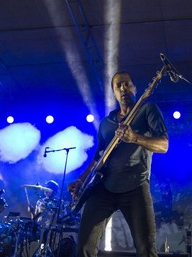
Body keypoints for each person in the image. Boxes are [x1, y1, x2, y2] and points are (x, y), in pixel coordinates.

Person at [68, 71, 169, 257]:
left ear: (135, 88)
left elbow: (164, 145)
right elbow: (97, 158)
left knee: (146, 248)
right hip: (102, 188)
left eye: (127, 84)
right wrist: (82, 180)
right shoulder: (106, 123)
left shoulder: (148, 110)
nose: (123, 88)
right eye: (118, 86)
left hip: (135, 186)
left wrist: (135, 138)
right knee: (84, 247)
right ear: (114, 92)